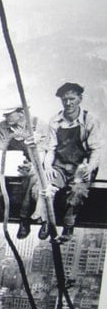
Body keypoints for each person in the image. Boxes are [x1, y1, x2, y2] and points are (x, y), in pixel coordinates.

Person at [40, 82, 103, 240]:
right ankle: (46, 221)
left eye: (72, 99)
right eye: (64, 99)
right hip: (60, 165)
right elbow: (51, 149)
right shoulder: (55, 120)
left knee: (77, 190)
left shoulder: (89, 120)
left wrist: (89, 169)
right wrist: (47, 167)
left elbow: (96, 149)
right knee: (47, 188)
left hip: (82, 166)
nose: (68, 103)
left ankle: (68, 226)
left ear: (80, 99)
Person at [0, 102, 48, 238]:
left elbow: (41, 153)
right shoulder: (2, 126)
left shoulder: (38, 124)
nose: (5, 116)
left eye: (9, 114)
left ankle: (24, 218)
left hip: (31, 164)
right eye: (4, 114)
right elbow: (0, 149)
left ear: (21, 112)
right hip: (9, 163)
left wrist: (30, 166)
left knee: (32, 178)